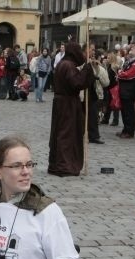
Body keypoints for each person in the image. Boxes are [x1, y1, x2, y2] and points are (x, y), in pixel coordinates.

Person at [47, 42, 95, 177]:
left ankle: (57, 163)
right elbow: (77, 83)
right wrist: (86, 70)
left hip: (62, 103)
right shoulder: (68, 65)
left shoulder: (64, 64)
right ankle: (64, 165)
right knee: (66, 133)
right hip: (67, 104)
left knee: (61, 132)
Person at [116, 44, 135, 140]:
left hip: (130, 90)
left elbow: (128, 74)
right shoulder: (131, 60)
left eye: (134, 48)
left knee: (129, 111)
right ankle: (125, 129)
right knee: (124, 111)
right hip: (125, 89)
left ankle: (129, 131)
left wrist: (120, 73)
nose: (131, 49)